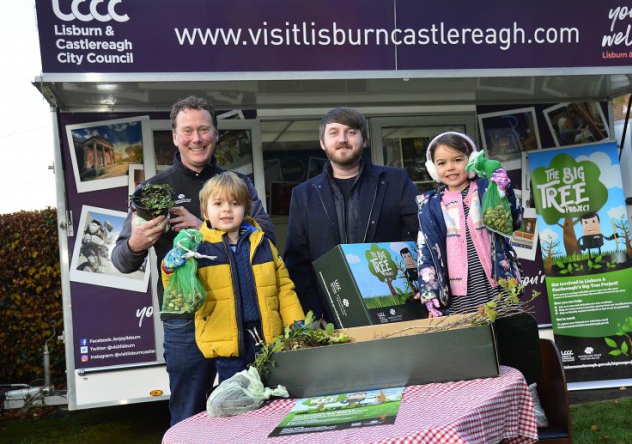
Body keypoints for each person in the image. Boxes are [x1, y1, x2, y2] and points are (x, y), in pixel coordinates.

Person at [111, 95, 274, 426]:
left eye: (203, 129)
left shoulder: (238, 185)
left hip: (238, 314)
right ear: (174, 136)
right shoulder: (154, 190)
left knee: (244, 410)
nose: (196, 138)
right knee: (187, 413)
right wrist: (136, 242)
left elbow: (267, 241)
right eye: (187, 131)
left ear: (216, 134)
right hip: (184, 320)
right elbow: (121, 260)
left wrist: (204, 228)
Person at [161, 172, 304, 388]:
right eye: (218, 203)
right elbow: (179, 289)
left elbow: (284, 287)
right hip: (229, 347)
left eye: (235, 203)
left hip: (267, 340)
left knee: (274, 396)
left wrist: (296, 322)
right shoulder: (198, 249)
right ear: (204, 212)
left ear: (245, 209)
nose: (227, 209)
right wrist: (170, 268)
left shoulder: (263, 245)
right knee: (237, 402)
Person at [283, 107, 420, 323]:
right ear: (322, 142)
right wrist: (314, 314)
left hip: (396, 308)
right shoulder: (303, 195)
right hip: (330, 314)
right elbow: (297, 261)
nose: (343, 139)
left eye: (351, 132)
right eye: (334, 132)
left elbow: (422, 236)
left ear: (363, 139)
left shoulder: (396, 181)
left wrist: (422, 283)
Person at [416, 131, 522, 317]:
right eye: (442, 163)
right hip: (459, 295)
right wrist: (429, 293)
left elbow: (514, 221)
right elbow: (425, 252)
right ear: (433, 169)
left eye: (457, 160)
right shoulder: (429, 206)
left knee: (508, 336)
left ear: (471, 160)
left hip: (499, 285)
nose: (450, 167)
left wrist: (505, 190)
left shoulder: (487, 188)